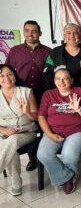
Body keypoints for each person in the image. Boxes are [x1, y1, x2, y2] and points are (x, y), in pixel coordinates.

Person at [37, 68, 81, 194]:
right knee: (43, 154)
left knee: (68, 155)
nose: (61, 82)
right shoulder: (48, 94)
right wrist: (50, 134)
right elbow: (41, 117)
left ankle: (66, 180)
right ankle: (68, 176)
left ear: (71, 80)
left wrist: (78, 110)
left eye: (65, 78)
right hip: (54, 131)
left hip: (78, 131)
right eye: (58, 78)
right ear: (54, 81)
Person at [5, 20, 51, 171]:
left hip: (41, 92)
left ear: (40, 33)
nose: (30, 34)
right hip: (22, 94)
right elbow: (8, 71)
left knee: (41, 124)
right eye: (27, 30)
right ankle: (33, 159)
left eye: (34, 31)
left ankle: (43, 156)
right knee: (28, 125)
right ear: (24, 32)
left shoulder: (48, 51)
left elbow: (51, 73)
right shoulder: (15, 51)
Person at [0, 64, 38, 196]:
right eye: (2, 75)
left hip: (26, 132)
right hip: (2, 133)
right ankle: (16, 183)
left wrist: (27, 112)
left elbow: (37, 117)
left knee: (13, 140)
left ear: (15, 75)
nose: (6, 78)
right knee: (10, 148)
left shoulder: (26, 91)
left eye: (9, 74)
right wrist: (3, 130)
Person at [43, 23, 81, 89]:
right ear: (64, 35)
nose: (72, 36)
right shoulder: (55, 52)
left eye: (75, 33)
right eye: (68, 33)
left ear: (79, 35)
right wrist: (55, 92)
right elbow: (47, 74)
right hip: (61, 93)